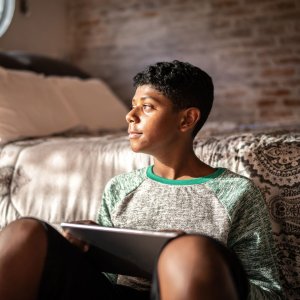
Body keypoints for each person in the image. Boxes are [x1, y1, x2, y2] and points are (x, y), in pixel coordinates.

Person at [0, 60, 282, 300]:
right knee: (25, 232)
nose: (129, 116)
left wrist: (194, 263)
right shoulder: (120, 188)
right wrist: (86, 250)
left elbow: (269, 290)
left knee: (188, 251)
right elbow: (107, 280)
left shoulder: (236, 192)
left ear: (186, 120)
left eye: (146, 107)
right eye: (132, 105)